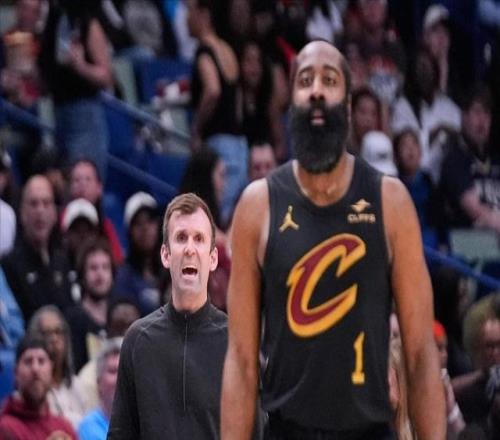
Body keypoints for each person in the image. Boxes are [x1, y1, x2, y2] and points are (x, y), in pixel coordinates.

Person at [221, 40, 445, 439]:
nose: (317, 90)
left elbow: (419, 354)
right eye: (305, 80)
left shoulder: (390, 201)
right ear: (292, 101)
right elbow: (240, 361)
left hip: (368, 429)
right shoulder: (257, 206)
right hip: (288, 429)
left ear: (347, 106)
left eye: (329, 80)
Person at [108, 193, 228, 439]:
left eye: (199, 239)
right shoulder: (138, 340)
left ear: (213, 258)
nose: (190, 249)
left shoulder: (236, 342)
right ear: (165, 254)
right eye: (181, 238)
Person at [187, 0, 248, 225]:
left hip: (218, 145)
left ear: (203, 14)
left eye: (190, 11)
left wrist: (196, 127)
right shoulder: (227, 49)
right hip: (239, 145)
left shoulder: (204, 52)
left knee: (214, 217)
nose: (186, 19)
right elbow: (238, 98)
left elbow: (212, 89)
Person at [1, 175, 74, 322]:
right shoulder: (9, 266)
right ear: (22, 213)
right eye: (34, 204)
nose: (40, 211)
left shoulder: (62, 262)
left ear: (54, 213)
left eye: (46, 203)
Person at [440, 84, 500, 233]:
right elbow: (475, 210)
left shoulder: (496, 159)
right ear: (464, 117)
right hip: (470, 240)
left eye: (486, 113)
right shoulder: (454, 161)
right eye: (477, 112)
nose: (482, 120)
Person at [0, 335, 77, 440]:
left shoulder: (65, 429)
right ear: (16, 373)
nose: (35, 368)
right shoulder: (5, 428)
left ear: (51, 370)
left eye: (41, 361)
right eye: (28, 361)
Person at [27, 305, 89, 428]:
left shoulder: (78, 386)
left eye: (58, 332)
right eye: (46, 334)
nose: (54, 339)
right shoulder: (32, 392)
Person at [66, 239, 115, 372]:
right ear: (82, 275)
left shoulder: (118, 315)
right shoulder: (73, 319)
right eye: (93, 268)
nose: (100, 274)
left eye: (105, 267)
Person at [114, 192, 165, 316]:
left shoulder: (172, 269)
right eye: (138, 223)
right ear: (130, 232)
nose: (145, 228)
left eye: (150, 221)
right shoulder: (124, 275)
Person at [78, 338, 121, 440]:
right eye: (112, 371)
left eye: (123, 371)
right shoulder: (88, 428)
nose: (119, 378)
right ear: (99, 383)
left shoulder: (140, 422)